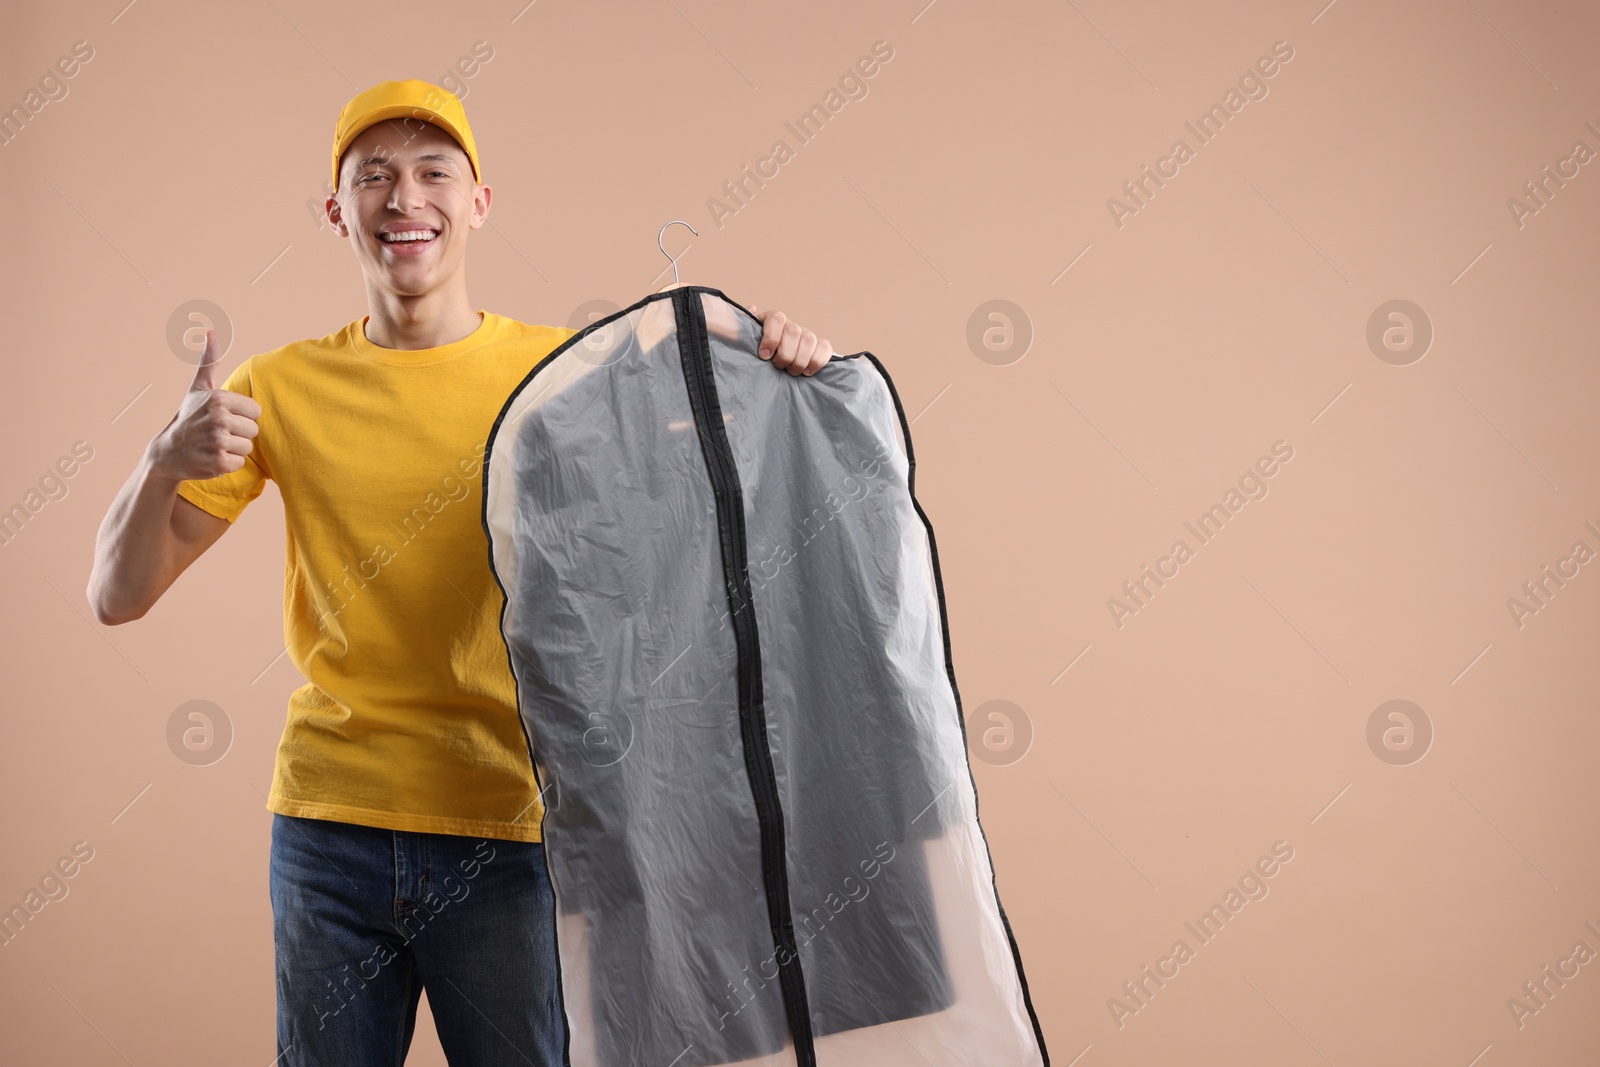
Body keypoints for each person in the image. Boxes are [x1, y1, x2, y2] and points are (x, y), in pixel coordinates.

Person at [85, 78, 835, 1067]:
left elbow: (715, 495)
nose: (406, 199)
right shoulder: (276, 387)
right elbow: (116, 593)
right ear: (336, 210)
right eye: (375, 177)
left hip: (515, 831)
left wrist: (784, 368)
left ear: (478, 202)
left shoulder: (568, 376)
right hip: (328, 829)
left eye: (434, 173)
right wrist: (160, 462)